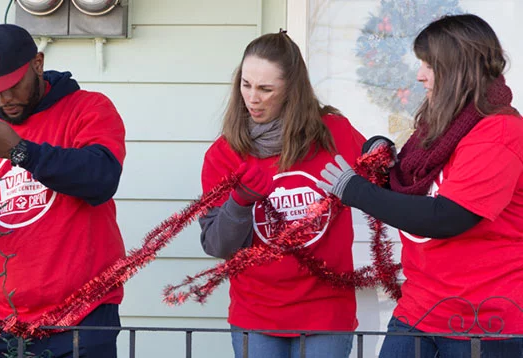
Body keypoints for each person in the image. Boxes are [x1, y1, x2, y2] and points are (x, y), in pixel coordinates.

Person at [317, 14, 523, 357]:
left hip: (484, 325)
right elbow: (413, 188)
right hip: (420, 311)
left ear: (458, 69)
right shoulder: (442, 127)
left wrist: (357, 191)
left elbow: (447, 216)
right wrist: (382, 160)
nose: (420, 75)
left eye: (429, 65)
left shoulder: (499, 133)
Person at [0, 24, 126, 357]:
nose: (3, 98)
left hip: (83, 315)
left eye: (11, 85)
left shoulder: (88, 108)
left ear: (37, 63)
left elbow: (102, 178)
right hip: (2, 317)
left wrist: (20, 151)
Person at [199, 31, 365, 358]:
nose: (252, 98)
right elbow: (218, 245)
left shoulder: (334, 134)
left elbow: (387, 179)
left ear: (291, 90)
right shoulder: (224, 153)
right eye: (245, 85)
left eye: (265, 89)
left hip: (325, 312)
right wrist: (240, 201)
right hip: (257, 315)